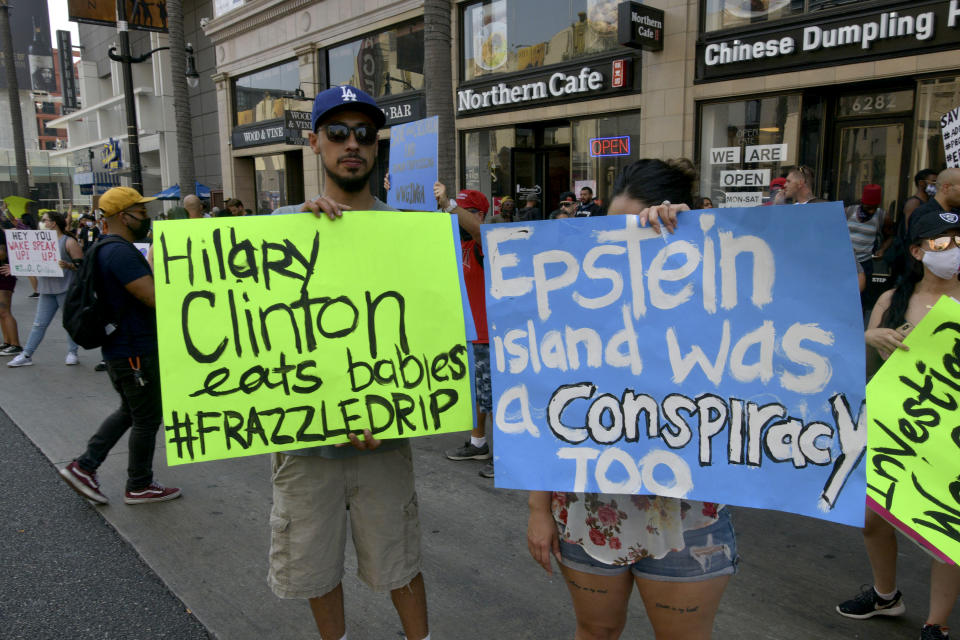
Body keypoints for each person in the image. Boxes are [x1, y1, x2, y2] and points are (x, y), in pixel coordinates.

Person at [527, 158, 737, 640]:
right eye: (612, 225)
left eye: (636, 226)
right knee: (595, 632)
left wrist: (696, 238)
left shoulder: (712, 285)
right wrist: (538, 509)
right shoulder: (578, 294)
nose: (622, 239)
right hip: (591, 506)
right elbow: (544, 402)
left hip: (686, 512)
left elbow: (826, 281)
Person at [267, 84, 430, 640]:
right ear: (313, 142)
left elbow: (425, 335)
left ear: (377, 147)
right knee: (313, 560)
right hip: (305, 440)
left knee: (399, 556)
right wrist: (300, 234)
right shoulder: (279, 230)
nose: (352, 143)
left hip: (384, 435)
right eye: (338, 132)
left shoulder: (409, 233)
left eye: (365, 133)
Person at [836, 203, 960, 640]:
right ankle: (885, 595)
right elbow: (858, 362)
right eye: (942, 243)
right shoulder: (891, 301)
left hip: (950, 436)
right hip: (893, 426)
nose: (953, 251)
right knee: (874, 517)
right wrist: (871, 336)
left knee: (946, 527)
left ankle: (936, 622)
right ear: (918, 251)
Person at [58, 186, 181, 505]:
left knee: (131, 411)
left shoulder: (105, 247)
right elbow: (153, 298)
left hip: (122, 350)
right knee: (147, 417)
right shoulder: (120, 252)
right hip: (134, 351)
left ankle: (84, 467)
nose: (147, 217)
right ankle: (138, 483)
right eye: (141, 212)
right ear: (123, 217)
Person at [439, 187, 495, 478]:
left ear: (479, 215)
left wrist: (449, 206)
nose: (453, 217)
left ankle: (511, 458)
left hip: (491, 336)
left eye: (462, 211)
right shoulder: (458, 246)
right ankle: (478, 443)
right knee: (477, 395)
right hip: (469, 336)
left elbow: (479, 232)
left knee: (498, 398)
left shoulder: (485, 242)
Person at [5, 211, 83, 367]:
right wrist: (15, 267)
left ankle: (72, 352)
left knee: (68, 322)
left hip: (65, 289)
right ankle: (27, 354)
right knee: (39, 324)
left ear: (53, 223)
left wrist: (68, 265)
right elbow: (29, 260)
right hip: (46, 289)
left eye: (45, 220)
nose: (42, 223)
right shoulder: (39, 242)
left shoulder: (68, 242)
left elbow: (82, 265)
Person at [845, 183, 889, 281]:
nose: (871, 211)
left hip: (864, 263)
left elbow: (890, 237)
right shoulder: (849, 211)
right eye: (868, 207)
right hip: (845, 261)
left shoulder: (882, 217)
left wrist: (882, 249)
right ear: (862, 202)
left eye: (874, 207)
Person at [0, 215, 22, 356]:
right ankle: (7, 341)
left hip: (3, 274)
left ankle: (15, 344)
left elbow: (2, 254)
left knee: (4, 310)